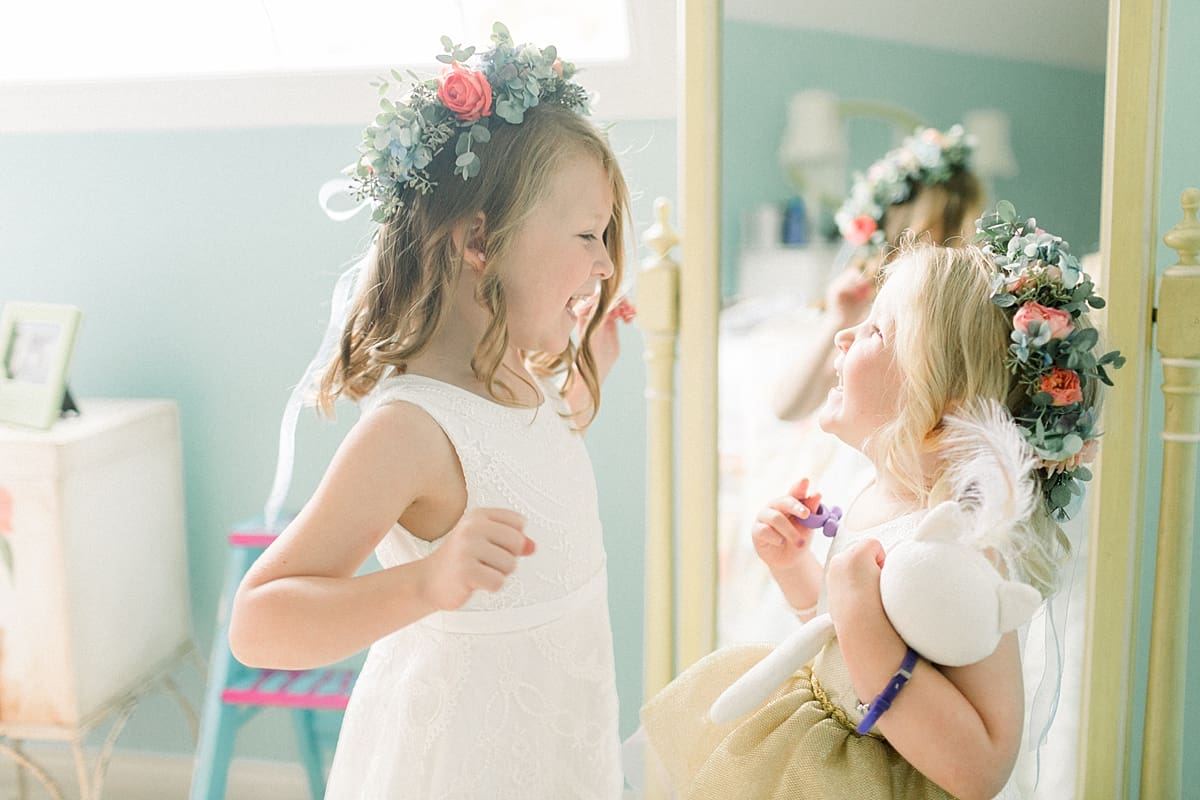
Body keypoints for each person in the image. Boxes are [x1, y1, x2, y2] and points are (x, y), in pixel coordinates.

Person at [228, 23, 635, 798]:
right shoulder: (409, 431)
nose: (607, 262)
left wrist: (585, 389)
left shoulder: (521, 376)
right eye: (587, 234)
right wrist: (425, 585)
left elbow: (523, 474)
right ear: (480, 238)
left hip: (556, 750)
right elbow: (258, 623)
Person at [638, 204, 1123, 799]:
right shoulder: (878, 495)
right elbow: (838, 638)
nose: (843, 334)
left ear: (941, 401)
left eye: (875, 331)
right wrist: (800, 575)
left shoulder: (967, 546)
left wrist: (865, 624)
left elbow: (983, 767)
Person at [772, 125, 983, 422]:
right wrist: (838, 320)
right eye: (951, 226)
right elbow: (787, 409)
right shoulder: (865, 314)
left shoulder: (962, 307)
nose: (965, 239)